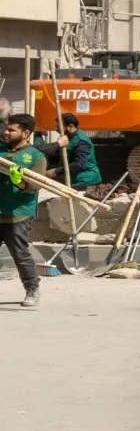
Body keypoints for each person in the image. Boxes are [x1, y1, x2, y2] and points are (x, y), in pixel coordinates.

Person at [1, 112, 45, 310]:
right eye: (6, 128)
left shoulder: (36, 157)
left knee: (19, 253)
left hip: (18, 212)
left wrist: (18, 181)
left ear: (26, 133)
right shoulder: (1, 152)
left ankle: (32, 288)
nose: (6, 132)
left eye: (11, 129)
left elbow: (34, 187)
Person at [57, 112, 102, 188]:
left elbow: (79, 164)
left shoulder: (81, 141)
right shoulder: (69, 138)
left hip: (86, 181)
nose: (56, 129)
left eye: (58, 127)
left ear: (70, 126)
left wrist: (55, 171)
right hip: (76, 178)